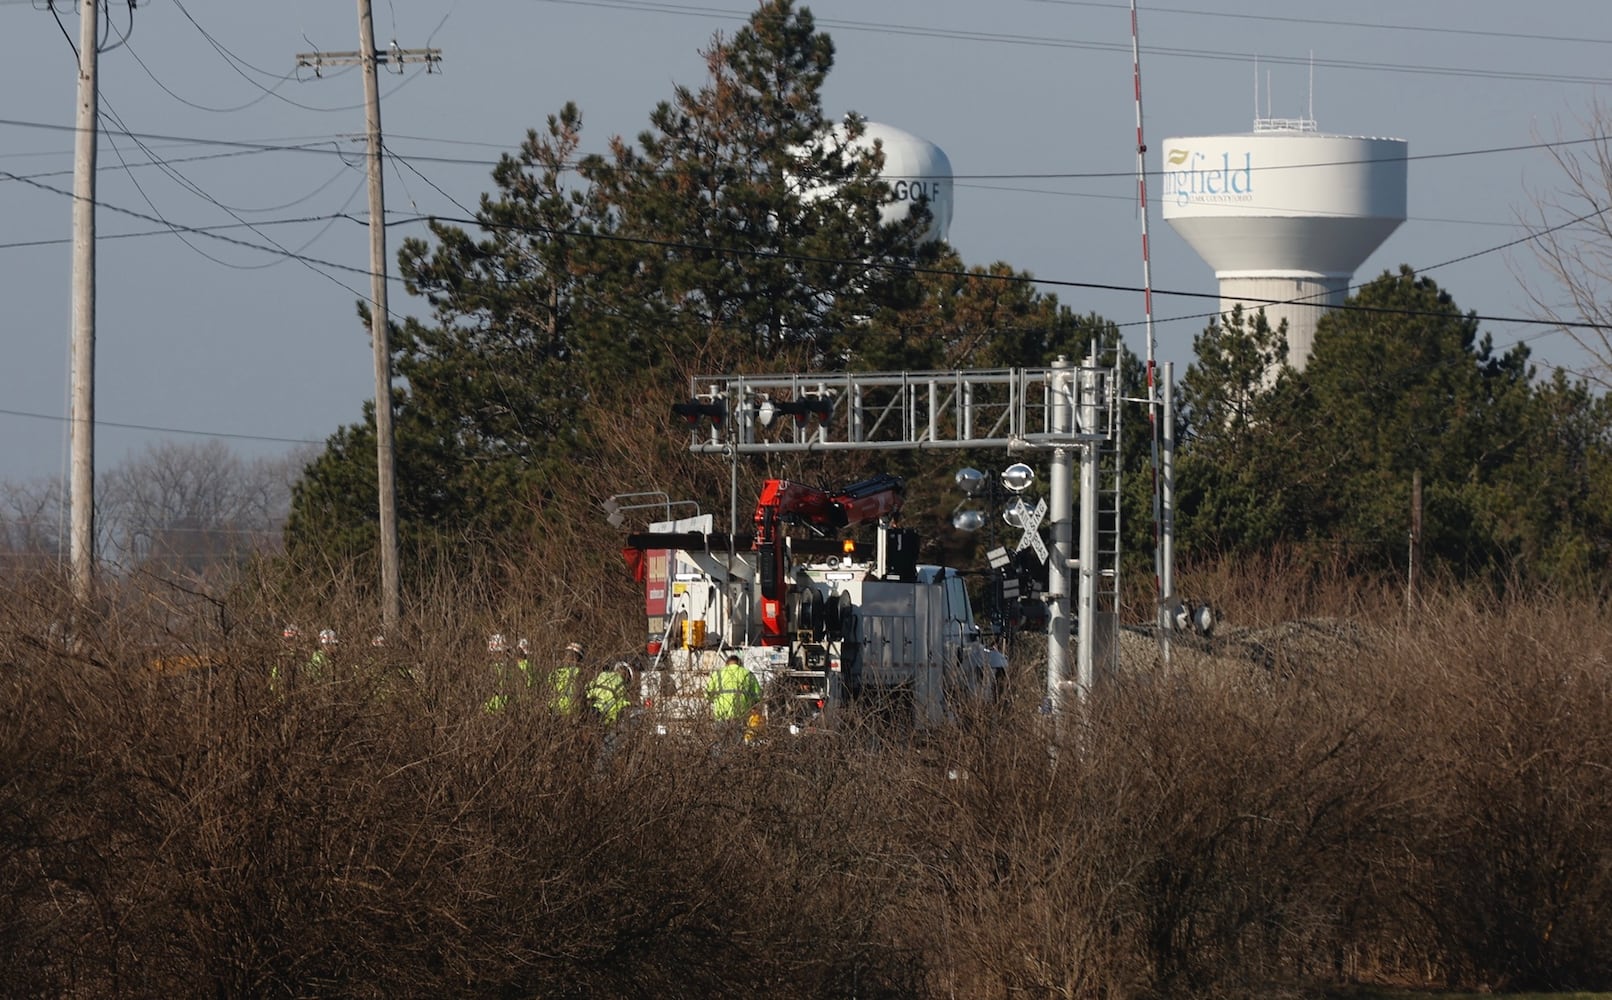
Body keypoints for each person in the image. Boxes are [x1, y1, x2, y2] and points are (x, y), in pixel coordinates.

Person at [707, 652, 761, 729]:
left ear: (726, 664)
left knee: (722, 739)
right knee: (738, 738)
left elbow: (708, 694)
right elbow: (757, 696)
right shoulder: (747, 674)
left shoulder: (717, 674)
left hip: (721, 713)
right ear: (740, 664)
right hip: (740, 713)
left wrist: (715, 701)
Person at [586, 659, 632, 724]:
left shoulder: (603, 674)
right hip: (602, 716)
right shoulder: (622, 687)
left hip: (589, 708)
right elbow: (618, 707)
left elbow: (588, 687)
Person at [546, 641, 585, 716]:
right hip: (569, 711)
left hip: (553, 709)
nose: (566, 657)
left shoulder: (556, 672)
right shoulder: (580, 673)